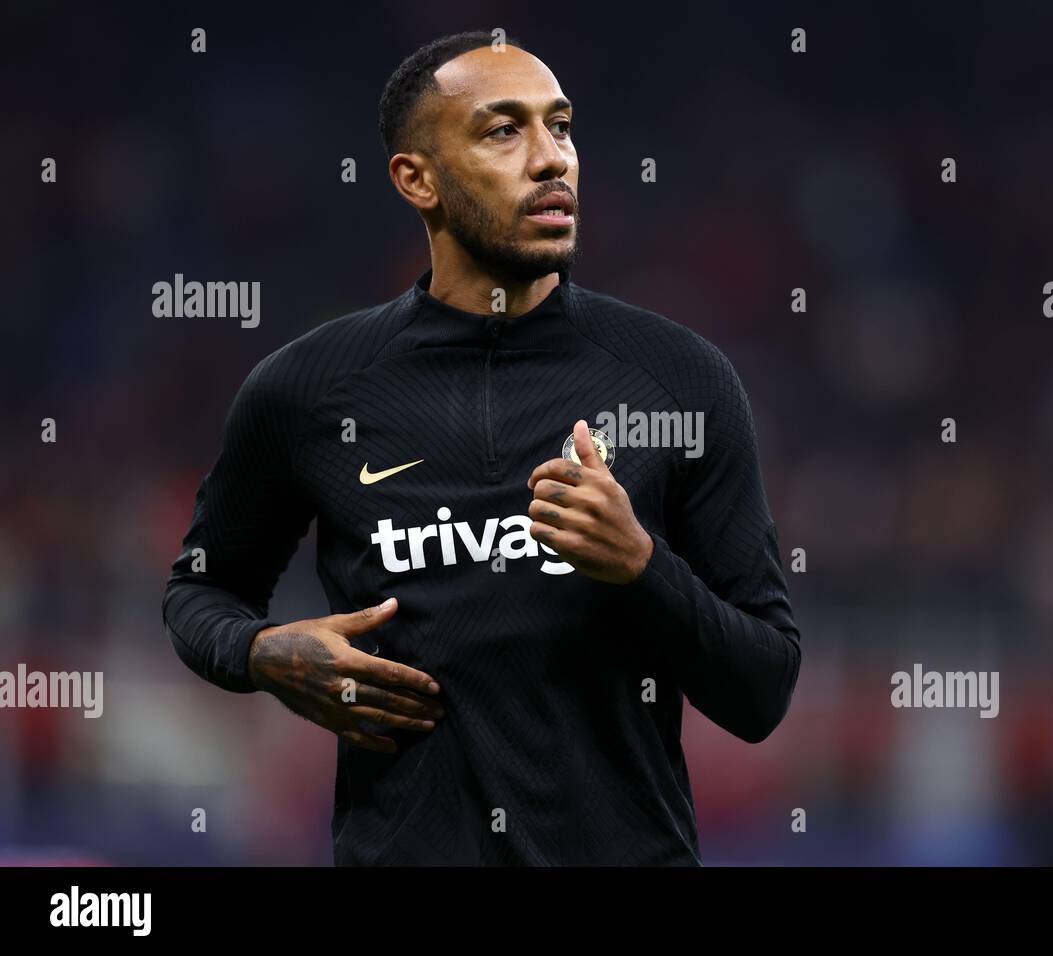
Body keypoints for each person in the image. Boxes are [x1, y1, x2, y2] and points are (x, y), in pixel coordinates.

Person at [162, 30, 800, 865]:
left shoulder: (680, 380)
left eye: (561, 127)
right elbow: (199, 592)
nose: (552, 160)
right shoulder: (307, 391)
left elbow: (763, 689)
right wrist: (260, 652)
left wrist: (642, 564)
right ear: (415, 178)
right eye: (506, 131)